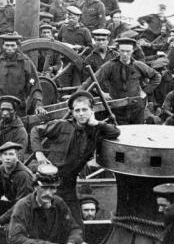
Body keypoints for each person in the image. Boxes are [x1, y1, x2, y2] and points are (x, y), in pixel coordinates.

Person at [31, 90, 119, 228]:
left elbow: (115, 132)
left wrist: (96, 123)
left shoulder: (95, 129)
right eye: (77, 110)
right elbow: (36, 130)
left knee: (77, 225)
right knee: (45, 223)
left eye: (85, 110)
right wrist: (39, 153)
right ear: (72, 112)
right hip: (49, 181)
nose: (81, 113)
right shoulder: (61, 125)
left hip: (69, 184)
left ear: (92, 111)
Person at [87, 38, 161, 125]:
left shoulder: (138, 65)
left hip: (137, 108)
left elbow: (157, 76)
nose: (125, 54)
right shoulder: (110, 66)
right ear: (118, 50)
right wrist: (101, 93)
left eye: (128, 51)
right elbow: (92, 80)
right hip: (118, 109)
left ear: (133, 51)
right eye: (122, 51)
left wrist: (145, 91)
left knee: (138, 130)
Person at [0, 32, 45, 121]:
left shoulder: (26, 64)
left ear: (17, 46)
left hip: (18, 110)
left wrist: (38, 105)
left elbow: (34, 87)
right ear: (3, 46)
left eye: (12, 45)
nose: (9, 48)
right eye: (7, 45)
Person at [0, 141, 34, 233]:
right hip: (14, 204)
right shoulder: (1, 169)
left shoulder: (23, 175)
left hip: (27, 210)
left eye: (11, 154)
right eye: (5, 154)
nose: (7, 158)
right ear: (1, 157)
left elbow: (22, 204)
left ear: (17, 157)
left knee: (10, 230)